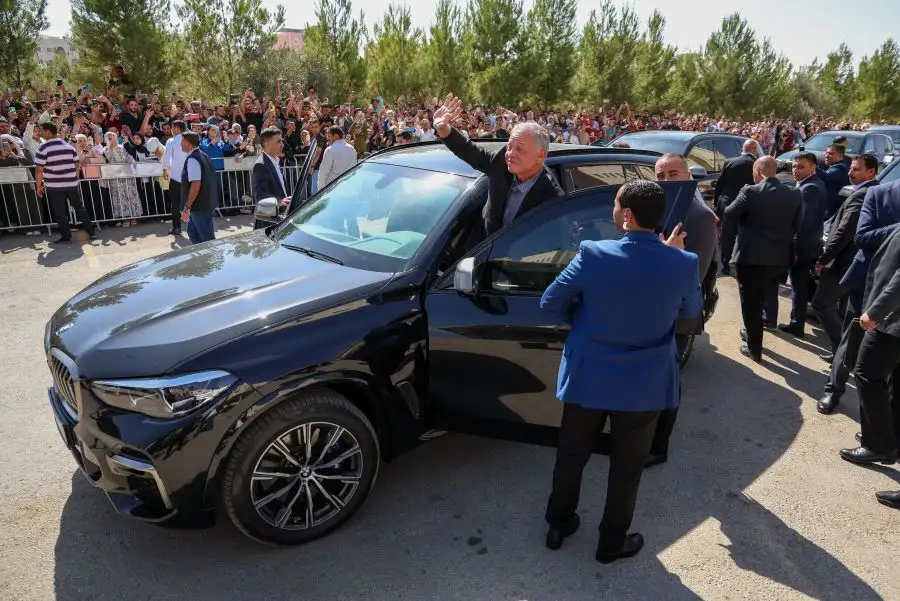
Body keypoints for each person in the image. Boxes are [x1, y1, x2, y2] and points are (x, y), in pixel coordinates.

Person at [540, 180, 702, 564]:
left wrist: (583, 326)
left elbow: (550, 303)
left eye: (616, 206)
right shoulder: (683, 262)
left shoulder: (594, 254)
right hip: (644, 381)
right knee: (627, 467)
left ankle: (558, 524)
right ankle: (611, 542)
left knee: (571, 455)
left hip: (588, 372)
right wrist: (671, 257)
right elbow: (690, 311)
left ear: (626, 215)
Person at [646, 153, 719, 466]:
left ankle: (657, 448)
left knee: (666, 384)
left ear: (688, 177)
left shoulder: (698, 215)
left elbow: (694, 276)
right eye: (660, 176)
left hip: (675, 316)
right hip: (654, 310)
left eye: (672, 174)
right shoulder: (662, 206)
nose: (665, 181)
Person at [432, 93, 563, 241]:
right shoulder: (499, 161)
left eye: (519, 149)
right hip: (479, 250)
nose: (510, 154)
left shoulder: (553, 199)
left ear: (541, 155)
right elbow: (467, 149)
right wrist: (443, 128)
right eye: (509, 146)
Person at [820, 177, 900, 414]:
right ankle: (833, 390)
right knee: (851, 340)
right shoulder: (878, 194)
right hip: (870, 282)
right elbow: (862, 237)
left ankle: (881, 427)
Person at [840, 203, 900, 469]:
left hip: (891, 322)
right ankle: (889, 438)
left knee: (866, 373)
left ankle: (879, 445)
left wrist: (876, 312)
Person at [724, 156, 802, 362]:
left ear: (757, 171)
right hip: (778, 259)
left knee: (751, 303)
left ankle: (754, 348)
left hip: (751, 258)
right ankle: (755, 330)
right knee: (765, 296)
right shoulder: (794, 193)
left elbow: (729, 213)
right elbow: (797, 224)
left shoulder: (750, 191)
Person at [812, 154, 879, 356]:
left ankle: (843, 354)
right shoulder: (871, 191)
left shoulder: (863, 195)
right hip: (856, 264)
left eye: (857, 169)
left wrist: (823, 259)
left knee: (821, 303)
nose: (850, 173)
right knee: (845, 310)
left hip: (845, 263)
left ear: (871, 172)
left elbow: (844, 232)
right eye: (851, 168)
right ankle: (842, 352)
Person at [776, 152, 827, 337]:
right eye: (794, 166)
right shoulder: (809, 184)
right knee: (804, 285)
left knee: (798, 286)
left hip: (804, 247)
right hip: (810, 245)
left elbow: (803, 222)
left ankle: (797, 324)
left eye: (801, 167)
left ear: (812, 168)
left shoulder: (810, 188)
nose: (795, 170)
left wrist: (795, 248)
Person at [34, 122, 97, 244]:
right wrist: (73, 177)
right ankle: (91, 232)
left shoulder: (42, 148)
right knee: (79, 208)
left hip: (54, 186)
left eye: (41, 130)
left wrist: (38, 186)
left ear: (48, 131)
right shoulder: (69, 147)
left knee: (60, 211)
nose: (40, 132)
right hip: (71, 184)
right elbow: (76, 164)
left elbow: (39, 169)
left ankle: (66, 236)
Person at [714, 140, 757, 275]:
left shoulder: (730, 162)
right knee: (745, 235)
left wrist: (717, 204)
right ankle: (742, 264)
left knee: (727, 237)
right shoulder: (756, 164)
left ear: (742, 149)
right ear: (754, 150)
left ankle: (726, 265)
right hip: (747, 206)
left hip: (727, 205)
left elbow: (720, 184)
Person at [179, 131, 218, 244]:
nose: (180, 144)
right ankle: (204, 257)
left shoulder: (193, 159)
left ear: (187, 143)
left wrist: (187, 207)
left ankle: (212, 259)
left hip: (200, 206)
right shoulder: (203, 155)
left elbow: (196, 185)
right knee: (193, 232)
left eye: (182, 141)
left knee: (208, 238)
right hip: (205, 203)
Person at [103, 130, 142, 226]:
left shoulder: (122, 147)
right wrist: (113, 149)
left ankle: (134, 216)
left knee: (131, 195)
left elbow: (128, 156)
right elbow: (116, 160)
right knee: (120, 198)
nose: (112, 139)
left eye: (114, 136)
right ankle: (125, 218)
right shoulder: (106, 149)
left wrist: (133, 162)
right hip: (116, 178)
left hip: (127, 176)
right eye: (110, 138)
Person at [251, 126, 290, 206]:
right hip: (272, 216)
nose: (282, 145)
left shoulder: (275, 162)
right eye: (279, 141)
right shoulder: (260, 165)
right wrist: (279, 202)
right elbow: (261, 195)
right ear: (266, 143)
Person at [162, 120, 187, 235]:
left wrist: (164, 169)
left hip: (176, 176)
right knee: (191, 201)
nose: (171, 131)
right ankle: (194, 225)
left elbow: (166, 157)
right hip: (189, 176)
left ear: (176, 128)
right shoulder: (189, 139)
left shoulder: (171, 141)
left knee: (175, 203)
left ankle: (176, 228)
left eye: (172, 128)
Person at [818, 144, 850, 219]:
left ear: (841, 155)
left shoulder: (841, 168)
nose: (826, 155)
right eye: (826, 153)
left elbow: (825, 176)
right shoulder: (834, 167)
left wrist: (810, 165)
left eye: (831, 153)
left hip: (831, 213)